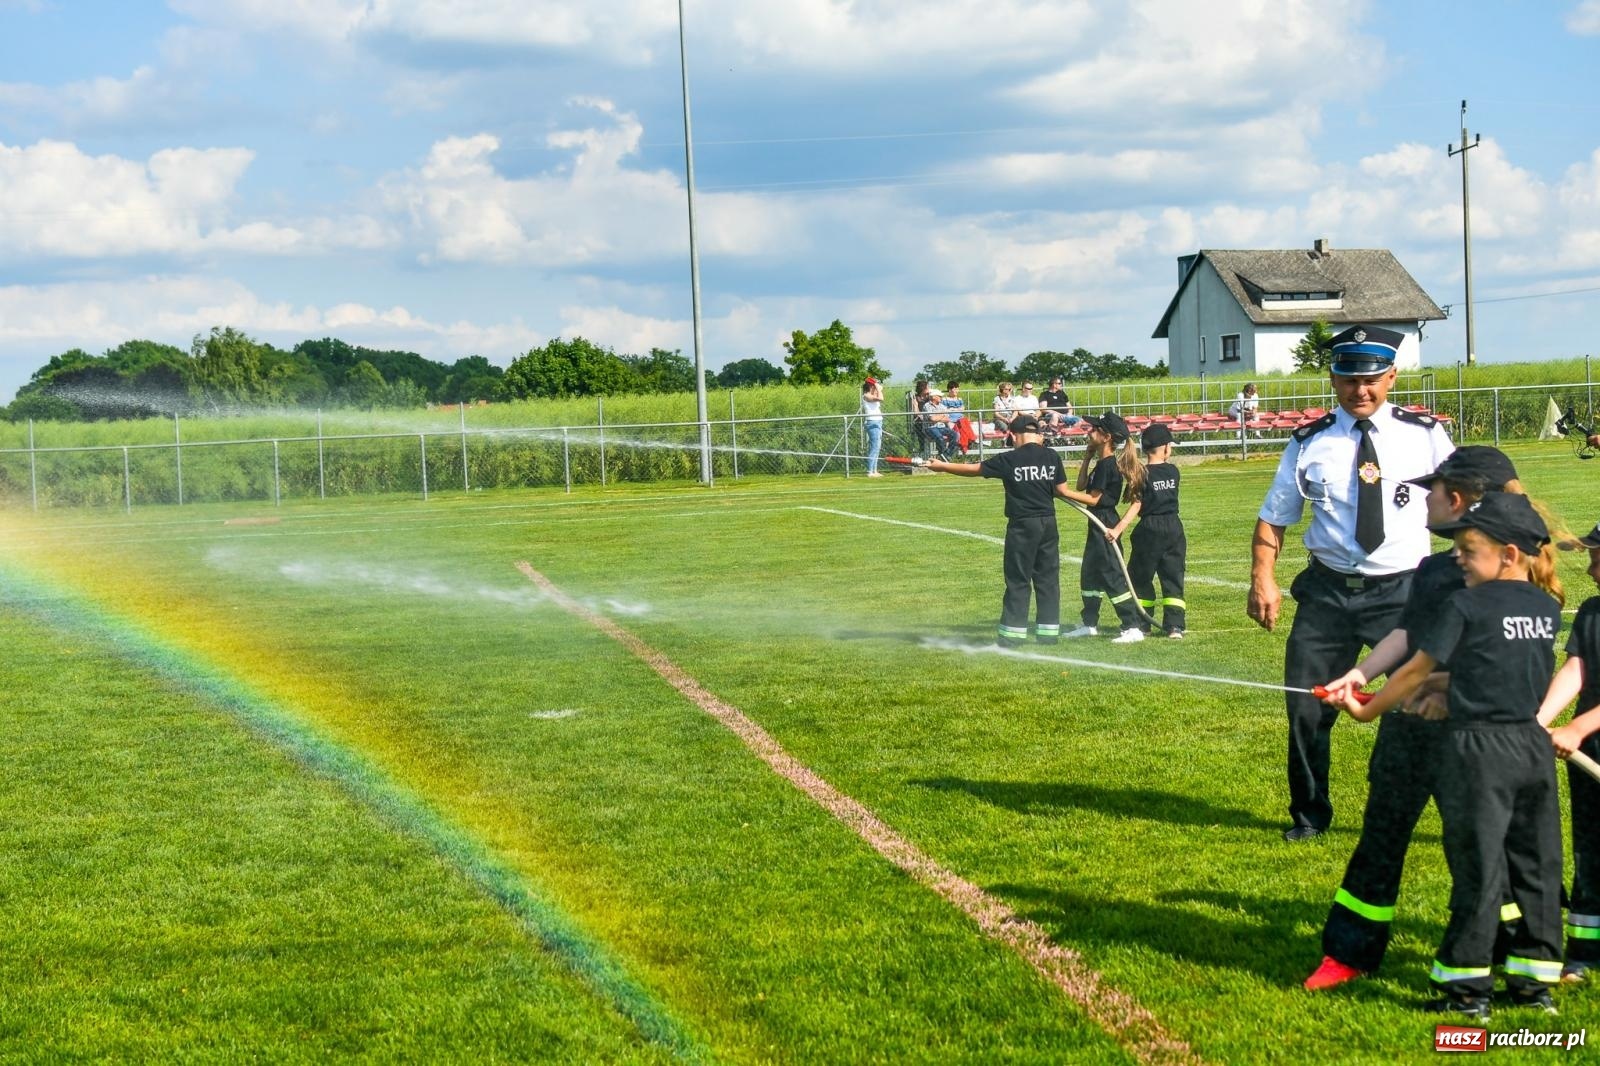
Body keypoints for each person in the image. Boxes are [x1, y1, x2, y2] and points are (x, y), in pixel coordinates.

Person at [1334, 492, 1565, 1017]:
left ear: (1508, 554)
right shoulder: (1545, 607)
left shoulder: (1463, 605)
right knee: (1537, 866)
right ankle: (1534, 985)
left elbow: (1412, 672)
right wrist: (1447, 685)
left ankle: (1467, 992)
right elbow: (1496, 669)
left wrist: (1367, 710)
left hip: (1477, 752)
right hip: (1531, 749)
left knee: (1479, 868)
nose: (1457, 558)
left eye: (1467, 550)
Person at [1304, 447, 1522, 991]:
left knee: (1480, 846)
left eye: (1433, 490)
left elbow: (1509, 658)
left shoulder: (1514, 576)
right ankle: (1350, 952)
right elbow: (1407, 633)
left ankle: (1516, 949)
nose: (1424, 500)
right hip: (1407, 730)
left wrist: (1449, 690)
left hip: (1474, 737)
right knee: (1381, 836)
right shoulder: (1433, 569)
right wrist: (1360, 673)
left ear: (1462, 499)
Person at [1249, 324, 1455, 842]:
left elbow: (1466, 501)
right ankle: (1309, 816)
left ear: (1391, 377)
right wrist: (1263, 579)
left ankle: (1436, 810)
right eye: (1348, 380)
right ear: (1333, 379)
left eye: (1370, 380)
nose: (1359, 391)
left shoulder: (1425, 434)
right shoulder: (1309, 441)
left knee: (1421, 705)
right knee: (1306, 709)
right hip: (1328, 594)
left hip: (1404, 593)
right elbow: (1274, 517)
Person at [920, 415, 1069, 646]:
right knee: (1048, 579)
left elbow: (974, 469)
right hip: (1049, 523)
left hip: (1023, 525)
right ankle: (1048, 634)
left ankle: (1012, 636)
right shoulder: (1052, 456)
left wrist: (942, 466)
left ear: (1014, 435)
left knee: (1018, 579)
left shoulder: (1009, 459)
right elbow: (1061, 490)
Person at [1539, 519, 1600, 984]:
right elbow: (1576, 669)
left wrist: (1577, 726)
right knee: (1591, 848)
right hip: (1590, 752)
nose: (1592, 570)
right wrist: (1539, 720)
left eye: (1598, 559)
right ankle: (1585, 950)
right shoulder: (1592, 612)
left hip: (1586, 735)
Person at [1058, 411, 1147, 643]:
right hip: (1096, 522)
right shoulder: (1101, 463)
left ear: (1106, 437)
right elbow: (1082, 485)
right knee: (1090, 574)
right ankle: (1089, 624)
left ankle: (1132, 627)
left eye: (1094, 429)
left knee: (1111, 575)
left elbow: (1095, 499)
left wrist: (1063, 492)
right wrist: (1087, 458)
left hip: (1105, 523)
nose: (1090, 432)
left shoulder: (1109, 466)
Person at [1110, 422, 1186, 638]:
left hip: (1149, 529)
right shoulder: (1173, 471)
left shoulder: (1141, 473)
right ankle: (1175, 626)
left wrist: (1117, 529)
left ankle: (1143, 624)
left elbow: (1137, 504)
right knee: (1173, 576)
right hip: (1173, 527)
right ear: (1165, 448)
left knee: (1140, 577)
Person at [923, 387, 958, 461]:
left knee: (955, 435)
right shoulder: (927, 405)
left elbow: (947, 419)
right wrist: (942, 415)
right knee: (940, 438)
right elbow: (932, 419)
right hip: (930, 428)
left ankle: (946, 455)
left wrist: (938, 416)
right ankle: (943, 456)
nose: (941, 398)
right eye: (939, 396)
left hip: (942, 427)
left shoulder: (942, 406)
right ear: (933, 397)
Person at [861, 377, 884, 478]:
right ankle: (870, 471)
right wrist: (878, 388)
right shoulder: (866, 396)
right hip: (872, 422)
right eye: (874, 385)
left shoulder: (872, 394)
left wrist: (878, 388)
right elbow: (881, 398)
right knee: (874, 447)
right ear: (870, 386)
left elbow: (880, 391)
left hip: (878, 421)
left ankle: (875, 470)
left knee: (878, 447)